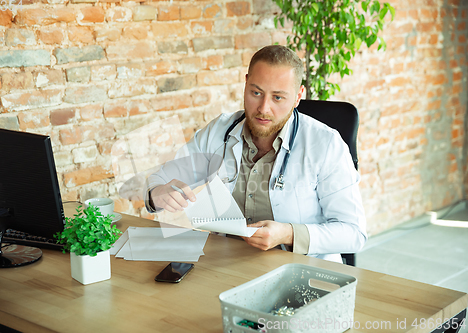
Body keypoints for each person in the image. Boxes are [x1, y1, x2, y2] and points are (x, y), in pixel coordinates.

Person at [144, 45, 366, 263]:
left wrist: (289, 234)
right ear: (246, 83)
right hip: (228, 266)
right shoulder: (219, 131)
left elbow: (354, 233)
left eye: (278, 97)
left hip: (303, 270)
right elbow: (160, 179)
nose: (263, 108)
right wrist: (158, 193)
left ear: (298, 96)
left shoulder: (326, 145)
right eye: (256, 92)